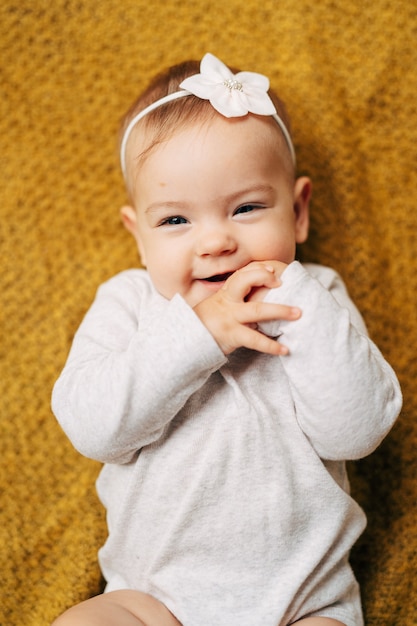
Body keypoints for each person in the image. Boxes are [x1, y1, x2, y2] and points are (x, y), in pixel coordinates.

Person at [51, 53, 402, 626]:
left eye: (246, 208)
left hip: (303, 603)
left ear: (299, 211)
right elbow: (93, 428)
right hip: (152, 600)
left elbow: (357, 432)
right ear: (138, 236)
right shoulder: (129, 303)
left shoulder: (317, 297)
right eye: (174, 222)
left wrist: (296, 298)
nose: (215, 242)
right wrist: (198, 333)